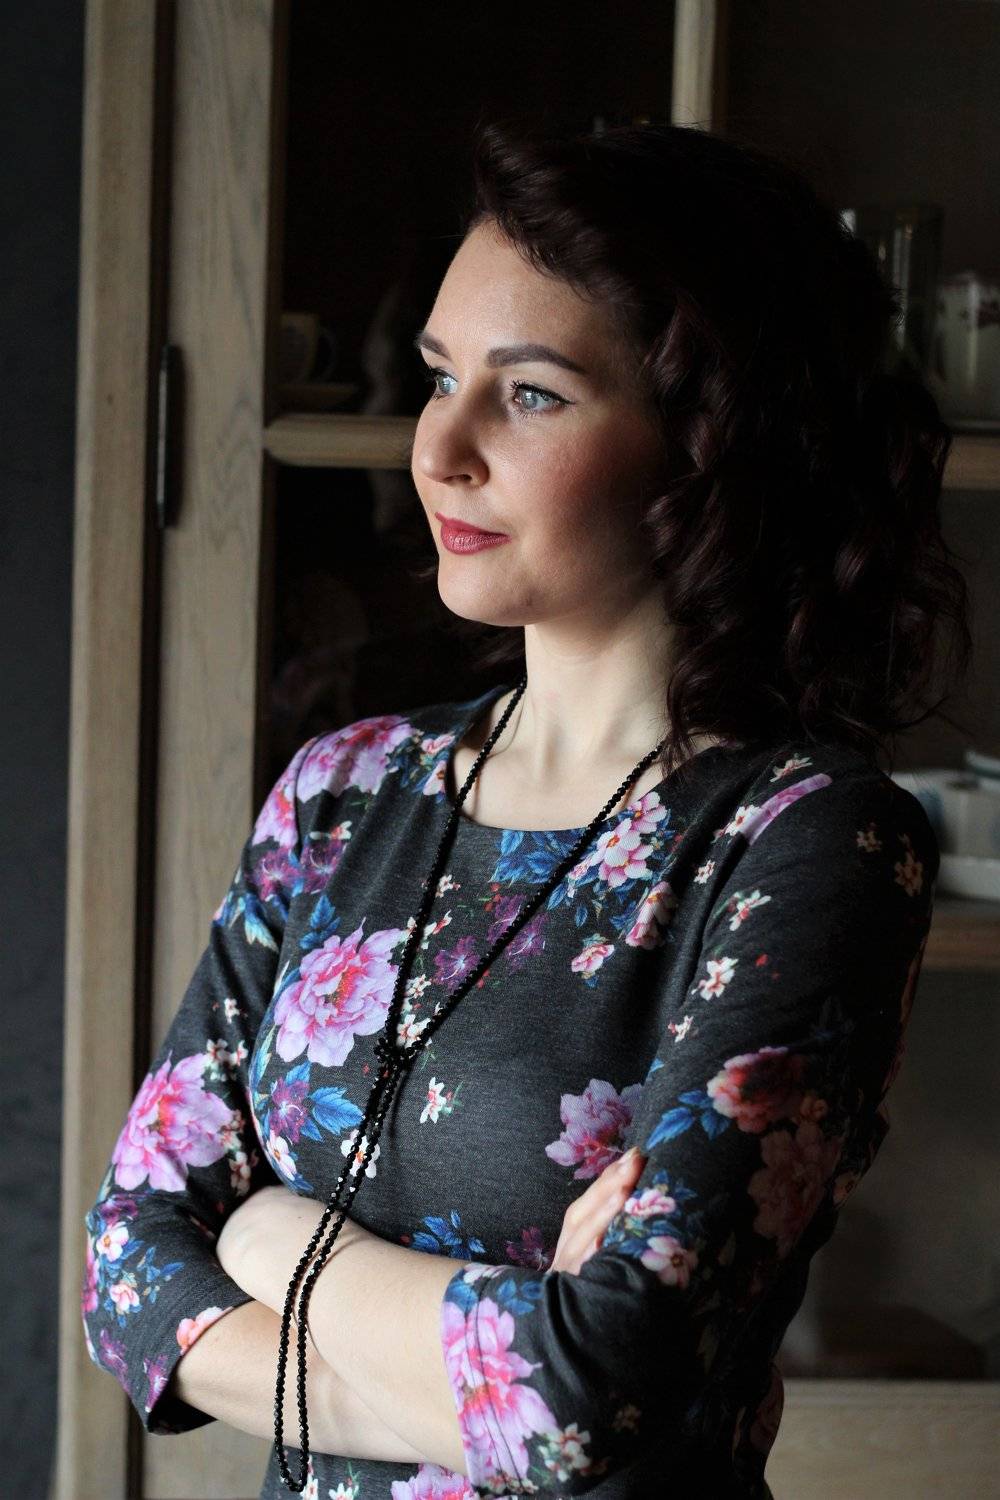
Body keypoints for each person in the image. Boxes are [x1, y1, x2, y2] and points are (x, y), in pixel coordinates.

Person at [81, 117, 971, 1499]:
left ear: (707, 447)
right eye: (442, 377)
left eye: (533, 395)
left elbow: (590, 1393)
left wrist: (269, 1238)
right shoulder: (341, 790)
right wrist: (491, 1363)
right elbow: (129, 1272)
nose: (440, 447)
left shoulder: (809, 840)